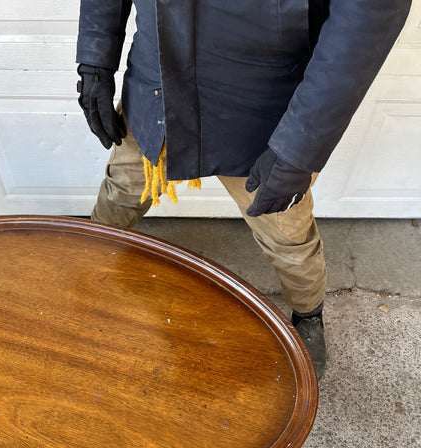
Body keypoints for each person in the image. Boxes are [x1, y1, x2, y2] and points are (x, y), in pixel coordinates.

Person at [75, 0, 412, 379]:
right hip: (158, 85)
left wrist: (300, 149)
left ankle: (309, 313)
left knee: (286, 233)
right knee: (122, 187)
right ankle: (90, 255)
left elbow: (370, 13)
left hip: (262, 102)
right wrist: (96, 59)